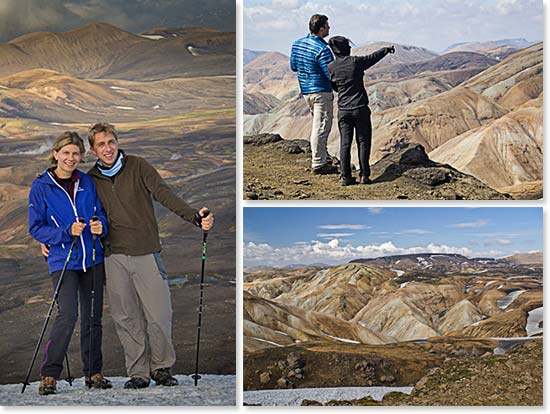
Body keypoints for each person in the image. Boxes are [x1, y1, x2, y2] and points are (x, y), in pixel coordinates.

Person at [86, 122, 214, 389]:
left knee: (159, 314)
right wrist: (49, 239)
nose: (107, 149)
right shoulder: (90, 180)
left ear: (117, 142)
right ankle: (139, 373)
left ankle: (161, 368)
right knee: (126, 318)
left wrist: (194, 217)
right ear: (92, 150)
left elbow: (164, 194)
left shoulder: (138, 166)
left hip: (146, 252)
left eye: (111, 142)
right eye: (101, 144)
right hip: (113, 257)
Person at [28, 132, 111, 395]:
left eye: (76, 154)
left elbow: (100, 215)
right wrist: (65, 232)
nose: (71, 158)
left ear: (81, 156)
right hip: (63, 260)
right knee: (68, 315)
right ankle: (49, 374)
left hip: (93, 259)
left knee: (93, 318)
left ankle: (93, 373)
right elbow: (36, 228)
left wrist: (101, 226)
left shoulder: (86, 182)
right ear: (56, 154)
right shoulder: (41, 186)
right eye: (66, 153)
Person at [327, 36, 395, 185]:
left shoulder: (331, 67)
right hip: (360, 108)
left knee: (345, 143)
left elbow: (335, 87)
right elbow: (372, 58)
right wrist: (386, 50)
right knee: (363, 141)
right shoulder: (355, 62)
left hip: (343, 110)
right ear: (345, 49)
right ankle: (364, 175)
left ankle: (345, 177)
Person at [290, 14, 338, 175]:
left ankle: (322, 157)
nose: (330, 28)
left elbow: (294, 67)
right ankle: (319, 163)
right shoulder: (323, 50)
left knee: (318, 125)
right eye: (328, 25)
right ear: (322, 28)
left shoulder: (297, 45)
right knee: (321, 127)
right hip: (321, 92)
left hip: (306, 92)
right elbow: (331, 74)